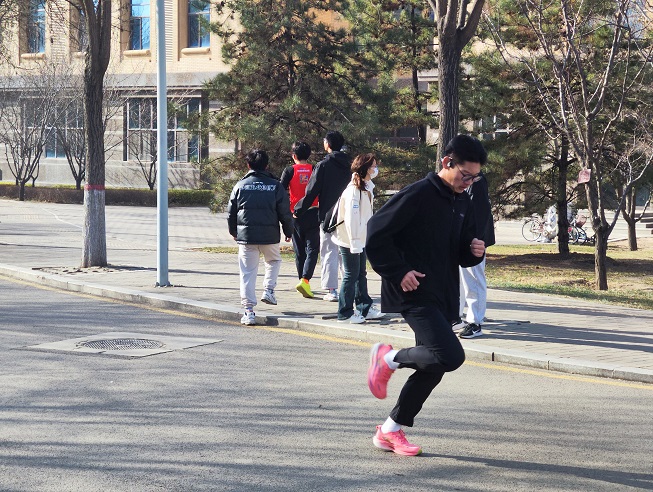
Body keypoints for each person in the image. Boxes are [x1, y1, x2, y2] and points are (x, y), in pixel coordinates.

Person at [365, 134, 487, 456]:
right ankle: (387, 358)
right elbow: (376, 233)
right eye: (465, 175)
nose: (468, 183)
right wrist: (398, 271)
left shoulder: (463, 201)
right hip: (413, 290)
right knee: (450, 356)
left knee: (433, 366)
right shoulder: (418, 194)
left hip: (442, 292)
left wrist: (473, 251)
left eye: (474, 178)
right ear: (447, 162)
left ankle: (390, 430)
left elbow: (460, 252)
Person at [227, 149, 293, 326]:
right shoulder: (275, 186)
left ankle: (248, 311)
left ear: (248, 165)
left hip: (246, 237)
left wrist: (234, 232)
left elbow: (231, 213)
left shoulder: (240, 186)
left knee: (247, 272)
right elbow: (285, 213)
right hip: (269, 236)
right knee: (273, 261)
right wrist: (289, 231)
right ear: (266, 166)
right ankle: (269, 290)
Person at [294, 131, 351, 302]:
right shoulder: (350, 164)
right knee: (345, 254)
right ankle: (350, 290)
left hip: (328, 215)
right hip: (348, 214)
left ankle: (332, 291)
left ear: (328, 144)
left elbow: (312, 191)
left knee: (329, 252)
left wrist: (299, 209)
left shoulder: (323, 165)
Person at [330, 153, 386, 324]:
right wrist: (354, 242)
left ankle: (364, 308)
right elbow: (352, 219)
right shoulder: (354, 190)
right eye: (373, 166)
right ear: (365, 169)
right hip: (350, 239)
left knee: (361, 274)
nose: (376, 169)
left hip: (360, 239)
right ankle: (345, 312)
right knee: (350, 275)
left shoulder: (366, 187)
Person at [457, 172, 495, 339]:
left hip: (473, 241)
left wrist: (475, 239)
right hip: (461, 238)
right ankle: (455, 316)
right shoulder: (462, 177)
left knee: (474, 279)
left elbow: (480, 212)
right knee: (459, 280)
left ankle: (475, 322)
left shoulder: (475, 180)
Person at [280, 142, 320, 299]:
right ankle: (305, 280)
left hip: (295, 215)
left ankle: (301, 281)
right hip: (313, 212)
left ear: (294, 156)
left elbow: (280, 191)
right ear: (308, 155)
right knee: (312, 249)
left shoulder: (289, 170)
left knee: (299, 251)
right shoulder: (314, 169)